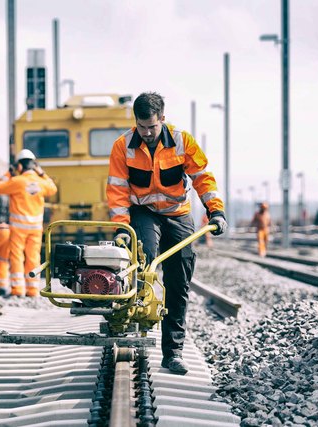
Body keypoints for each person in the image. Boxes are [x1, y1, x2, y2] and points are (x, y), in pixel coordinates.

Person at [106, 92, 226, 375]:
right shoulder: (123, 146)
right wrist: (122, 230)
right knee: (143, 259)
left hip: (177, 214)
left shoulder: (183, 141)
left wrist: (215, 210)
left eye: (152, 127)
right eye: (141, 126)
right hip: (144, 212)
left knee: (179, 279)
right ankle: (128, 320)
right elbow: (117, 191)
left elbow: (203, 178)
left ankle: (173, 353)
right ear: (135, 121)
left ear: (162, 118)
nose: (146, 133)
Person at [0, 149, 58, 297]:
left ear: (20, 166)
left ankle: (18, 290)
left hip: (18, 227)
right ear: (34, 165)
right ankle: (33, 289)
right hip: (35, 228)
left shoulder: (16, 181)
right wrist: (42, 173)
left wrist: (9, 173)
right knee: (33, 257)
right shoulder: (41, 182)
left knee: (17, 256)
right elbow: (53, 188)